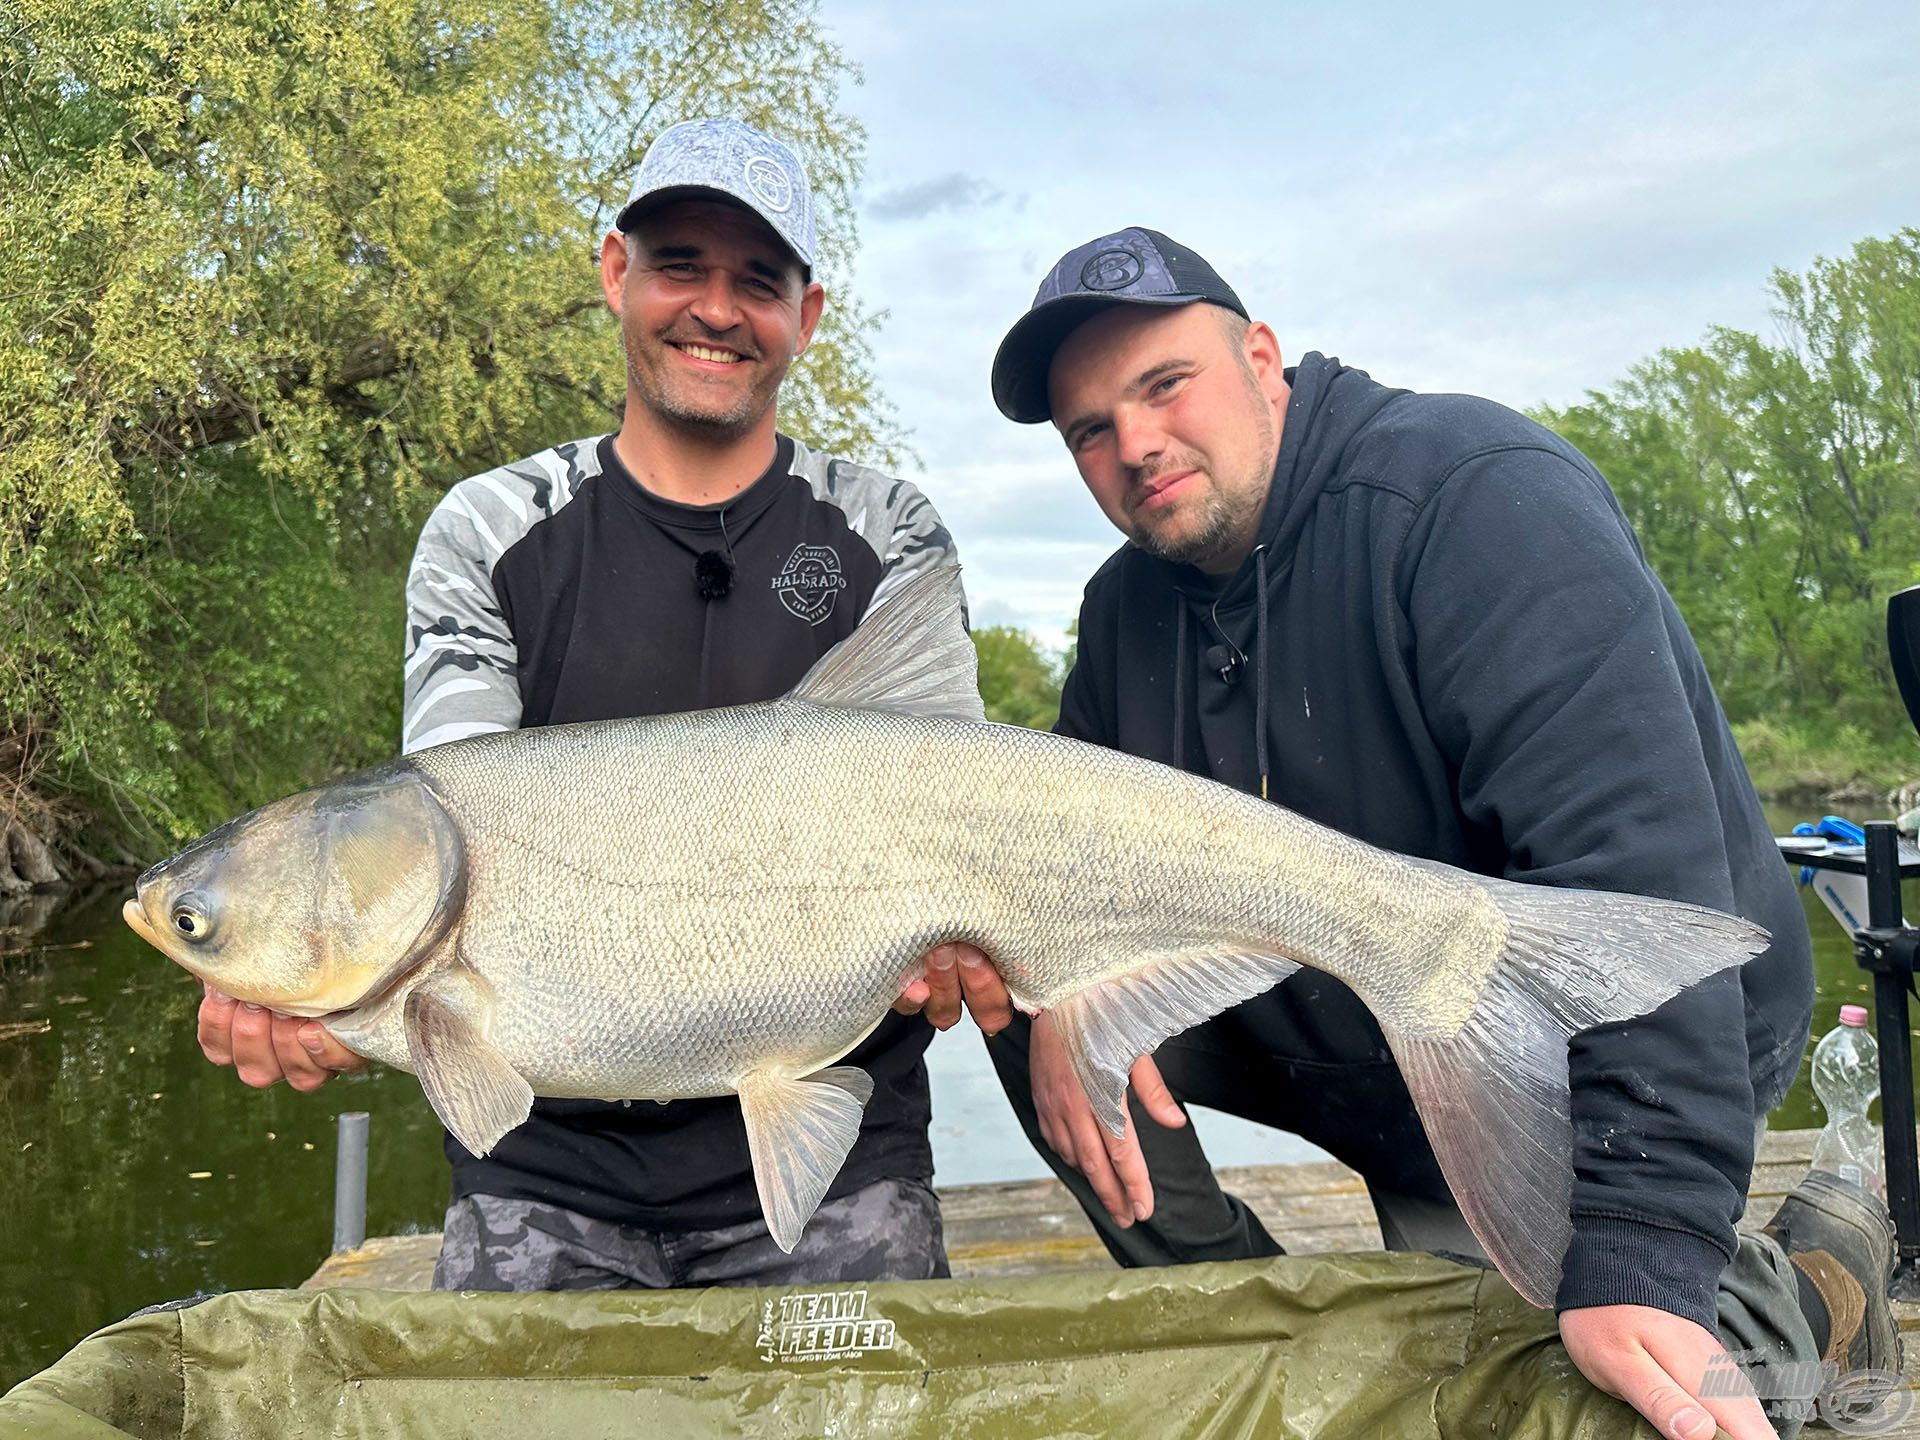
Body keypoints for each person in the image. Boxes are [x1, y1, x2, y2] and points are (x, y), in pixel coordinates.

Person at [971, 227, 1897, 1440]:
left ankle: (1813, 1288)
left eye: (1165, 384)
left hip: (1619, 1016)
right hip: (1358, 1022)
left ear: (1262, 357)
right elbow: (1076, 881)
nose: (1134, 444)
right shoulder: (1120, 612)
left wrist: (1649, 1237)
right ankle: (1239, 1301)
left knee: (1602, 1360)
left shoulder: (1474, 496)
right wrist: (1062, 979)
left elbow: (1637, 870)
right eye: (1089, 428)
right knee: (1009, 976)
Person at [193, 117, 1010, 1291]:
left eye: (759, 280)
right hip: (541, 1174)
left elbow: (964, 810)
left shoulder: (891, 532)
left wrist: (969, 942)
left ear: (806, 316)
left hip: (840, 1155)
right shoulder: (487, 530)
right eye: (681, 263)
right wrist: (313, 960)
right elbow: (455, 844)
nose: (718, 309)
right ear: (615, 272)